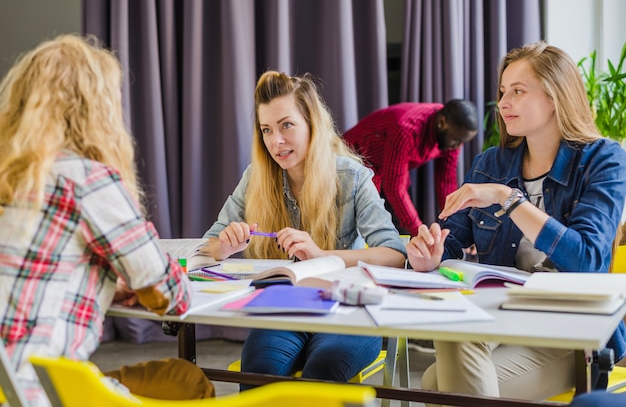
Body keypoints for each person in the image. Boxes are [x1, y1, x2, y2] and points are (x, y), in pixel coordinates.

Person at [407, 40, 626, 403]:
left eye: (518, 91)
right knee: (453, 331)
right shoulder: (492, 162)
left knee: (434, 383)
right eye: (503, 91)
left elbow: (588, 259)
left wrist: (509, 200)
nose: (503, 103)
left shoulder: (604, 159)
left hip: (572, 330)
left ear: (555, 96)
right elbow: (453, 240)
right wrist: (432, 253)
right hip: (501, 316)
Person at [0, 34, 214, 405]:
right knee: (187, 383)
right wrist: (145, 283)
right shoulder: (86, 181)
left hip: (9, 386)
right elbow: (173, 297)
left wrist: (108, 285)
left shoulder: (11, 176)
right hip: (38, 391)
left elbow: (32, 271)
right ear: (95, 111)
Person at [201, 70, 406, 389]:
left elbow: (394, 255)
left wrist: (322, 255)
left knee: (322, 373)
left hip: (349, 312)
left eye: (286, 125)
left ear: (313, 124)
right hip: (283, 309)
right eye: (266, 129)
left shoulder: (353, 178)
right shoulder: (256, 178)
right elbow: (205, 248)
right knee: (259, 371)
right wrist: (222, 248)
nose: (276, 141)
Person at [342, 100, 478, 237]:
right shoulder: (406, 127)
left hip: (386, 170)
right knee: (363, 229)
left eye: (462, 141)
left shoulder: (451, 131)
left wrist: (459, 228)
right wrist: (419, 232)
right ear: (442, 123)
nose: (457, 147)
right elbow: (394, 187)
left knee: (400, 231)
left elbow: (446, 182)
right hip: (353, 163)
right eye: (456, 140)